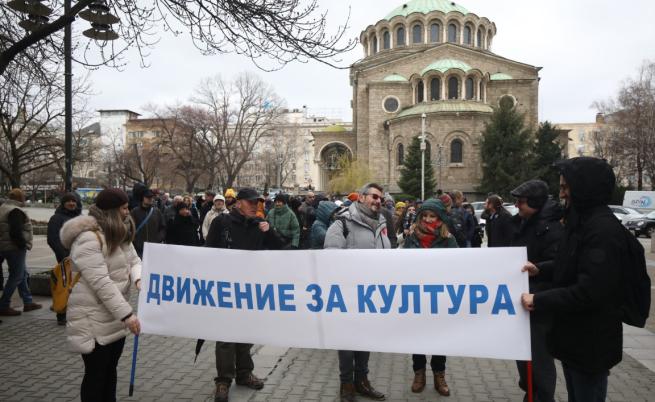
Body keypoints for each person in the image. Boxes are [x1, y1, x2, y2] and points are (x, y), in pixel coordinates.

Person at [521, 157, 626, 402]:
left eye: (565, 188)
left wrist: (539, 299)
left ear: (584, 189)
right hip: (575, 339)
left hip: (591, 342)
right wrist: (540, 269)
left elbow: (589, 290)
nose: (561, 194)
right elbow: (571, 263)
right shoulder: (583, 223)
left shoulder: (602, 231)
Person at [59, 188, 142, 402]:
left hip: (113, 317)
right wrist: (127, 315)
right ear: (112, 210)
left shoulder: (118, 231)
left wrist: (138, 278)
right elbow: (101, 282)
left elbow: (134, 260)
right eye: (124, 208)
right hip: (92, 318)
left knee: (110, 371)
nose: (127, 212)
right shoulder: (88, 238)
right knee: (96, 375)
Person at [205, 188, 284, 402]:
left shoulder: (259, 225)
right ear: (238, 203)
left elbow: (280, 250)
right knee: (225, 338)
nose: (255, 206)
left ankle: (244, 373)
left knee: (246, 334)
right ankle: (223, 380)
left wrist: (270, 231)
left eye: (257, 203)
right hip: (226, 289)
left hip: (250, 291)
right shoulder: (221, 223)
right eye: (250, 202)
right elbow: (208, 253)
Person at [324, 183, 389, 402]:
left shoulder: (381, 224)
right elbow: (330, 260)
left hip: (373, 297)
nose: (378, 201)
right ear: (361, 198)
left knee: (365, 340)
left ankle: (362, 381)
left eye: (380, 198)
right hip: (348, 296)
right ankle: (347, 385)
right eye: (374, 196)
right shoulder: (341, 224)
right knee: (347, 342)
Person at [510, 180, 564, 402]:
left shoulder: (552, 230)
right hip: (525, 301)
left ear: (534, 202)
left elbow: (561, 266)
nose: (517, 206)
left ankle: (541, 397)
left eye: (521, 202)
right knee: (525, 357)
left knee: (538, 359)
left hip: (539, 304)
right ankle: (531, 394)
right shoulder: (527, 223)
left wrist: (539, 270)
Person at [403, 199, 457, 396]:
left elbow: (459, 265)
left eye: (432, 216)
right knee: (417, 337)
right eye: (424, 215)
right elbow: (402, 264)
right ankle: (419, 374)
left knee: (439, 338)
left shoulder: (448, 239)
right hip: (417, 296)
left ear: (440, 218)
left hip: (439, 298)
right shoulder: (411, 238)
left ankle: (439, 375)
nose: (427, 219)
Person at [0, 188, 41, 316]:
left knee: (22, 273)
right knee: (16, 276)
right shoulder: (15, 211)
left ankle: (28, 302)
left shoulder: (3, 207)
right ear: (20, 198)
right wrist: (23, 245)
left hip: (4, 246)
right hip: (14, 248)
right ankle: (4, 305)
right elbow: (15, 232)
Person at [47, 192, 81, 324]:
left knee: (77, 287)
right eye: (69, 201)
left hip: (79, 257)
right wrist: (63, 256)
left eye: (74, 201)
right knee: (64, 286)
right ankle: (61, 314)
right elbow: (53, 239)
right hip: (65, 258)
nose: (72, 203)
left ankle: (74, 312)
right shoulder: (56, 218)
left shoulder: (80, 217)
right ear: (63, 203)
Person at [130, 188, 167, 258]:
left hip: (154, 248)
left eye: (152, 197)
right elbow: (130, 229)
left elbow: (163, 227)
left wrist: (158, 239)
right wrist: (136, 241)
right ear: (142, 198)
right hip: (138, 250)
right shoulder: (134, 212)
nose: (150, 199)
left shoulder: (157, 212)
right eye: (147, 197)